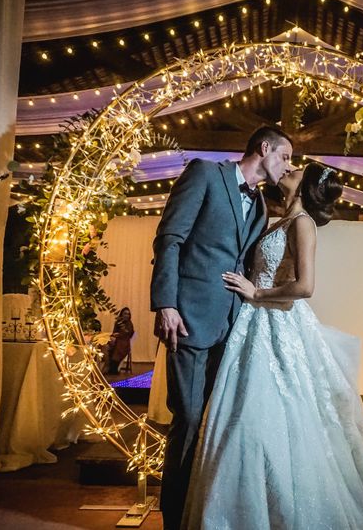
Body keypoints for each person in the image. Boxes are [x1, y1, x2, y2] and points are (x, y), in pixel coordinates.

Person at [182, 164, 363, 529]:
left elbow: (305, 286)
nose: (288, 168)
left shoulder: (302, 224)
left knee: (272, 417)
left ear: (305, 185)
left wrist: (257, 292)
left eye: (297, 168)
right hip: (253, 326)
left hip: (276, 323)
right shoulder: (277, 219)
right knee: (248, 419)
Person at [150, 125, 293, 530]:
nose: (287, 165)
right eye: (284, 156)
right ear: (263, 148)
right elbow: (170, 239)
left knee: (217, 425)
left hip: (233, 328)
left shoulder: (263, 207)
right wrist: (166, 302)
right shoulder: (205, 174)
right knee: (190, 418)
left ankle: (201, 513)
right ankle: (174, 518)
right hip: (189, 318)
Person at [107, 307, 134, 374]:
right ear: (121, 314)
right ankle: (110, 366)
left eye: (128, 314)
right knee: (108, 345)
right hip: (117, 340)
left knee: (119, 345)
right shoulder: (118, 322)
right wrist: (114, 336)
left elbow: (128, 334)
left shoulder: (129, 323)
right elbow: (114, 332)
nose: (126, 315)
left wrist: (118, 335)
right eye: (125, 314)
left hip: (125, 343)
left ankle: (113, 368)